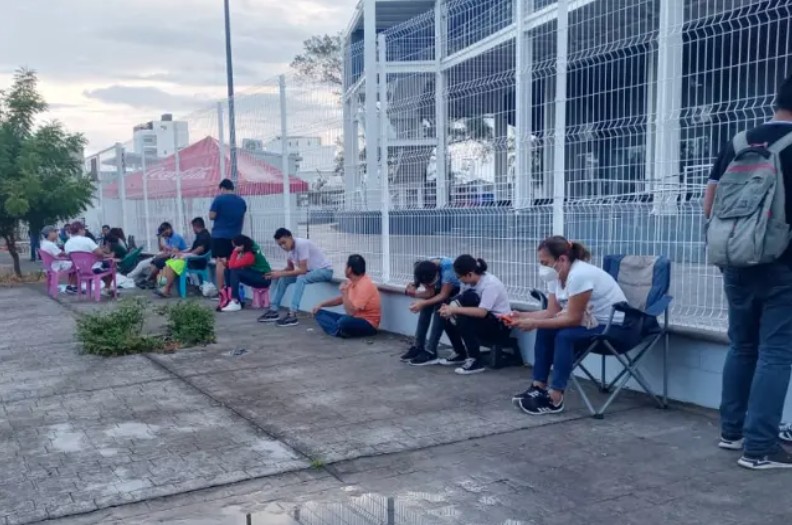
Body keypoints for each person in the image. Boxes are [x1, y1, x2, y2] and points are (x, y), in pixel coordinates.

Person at [705, 74, 792, 470]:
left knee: (741, 346)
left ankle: (732, 432)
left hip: (735, 259)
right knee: (776, 352)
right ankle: (759, 448)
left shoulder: (739, 141)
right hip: (783, 264)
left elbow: (710, 201)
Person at [507, 236, 627, 416]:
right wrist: (521, 316)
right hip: (589, 323)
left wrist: (533, 323)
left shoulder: (579, 275)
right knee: (546, 329)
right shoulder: (555, 276)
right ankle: (538, 387)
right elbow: (551, 312)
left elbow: (572, 319)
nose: (542, 267)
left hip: (614, 328)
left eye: (544, 263)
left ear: (561, 259)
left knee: (565, 336)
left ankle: (555, 398)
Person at [437, 255, 512, 375]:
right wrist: (448, 309)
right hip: (484, 320)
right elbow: (461, 300)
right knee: (445, 315)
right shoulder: (467, 282)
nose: (459, 280)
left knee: (463, 319)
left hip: (499, 325)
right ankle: (459, 353)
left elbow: (482, 312)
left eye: (459, 277)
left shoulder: (490, 284)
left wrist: (455, 310)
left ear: (469, 274)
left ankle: (476, 361)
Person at [259, 228, 334, 327]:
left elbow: (303, 270)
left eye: (284, 242)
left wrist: (280, 274)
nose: (283, 246)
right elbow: (289, 268)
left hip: (325, 271)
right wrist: (275, 273)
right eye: (280, 245)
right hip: (310, 272)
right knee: (284, 279)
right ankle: (273, 310)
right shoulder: (290, 251)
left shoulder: (301, 244)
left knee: (301, 278)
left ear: (290, 237)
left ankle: (292, 314)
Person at [401, 257, 461, 366]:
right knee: (425, 307)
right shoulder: (421, 267)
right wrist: (413, 292)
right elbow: (430, 293)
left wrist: (422, 303)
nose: (430, 285)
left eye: (432, 282)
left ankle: (431, 351)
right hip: (441, 291)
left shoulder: (448, 270)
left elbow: (443, 295)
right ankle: (418, 346)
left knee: (440, 307)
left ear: (437, 273)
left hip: (454, 292)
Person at [312, 254, 381, 338]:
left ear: (349, 269)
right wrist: (321, 304)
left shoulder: (365, 285)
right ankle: (339, 329)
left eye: (346, 266)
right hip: (354, 318)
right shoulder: (352, 281)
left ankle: (338, 330)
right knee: (319, 313)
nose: (344, 269)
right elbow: (341, 300)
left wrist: (344, 292)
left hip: (368, 324)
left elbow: (351, 312)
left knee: (343, 322)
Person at [154, 217, 212, 298]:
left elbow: (200, 249)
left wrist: (185, 255)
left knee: (172, 265)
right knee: (167, 265)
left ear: (195, 226)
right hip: (193, 259)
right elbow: (193, 249)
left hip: (196, 261)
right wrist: (182, 253)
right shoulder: (201, 235)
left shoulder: (204, 235)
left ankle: (166, 289)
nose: (193, 230)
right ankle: (161, 287)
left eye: (193, 227)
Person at [217, 234, 272, 312]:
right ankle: (230, 298)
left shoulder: (250, 254)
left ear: (242, 245)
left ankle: (235, 301)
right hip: (257, 275)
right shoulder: (248, 250)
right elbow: (232, 266)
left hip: (264, 279)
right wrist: (226, 263)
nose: (235, 248)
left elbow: (233, 266)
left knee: (234, 271)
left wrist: (235, 252)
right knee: (227, 271)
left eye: (236, 246)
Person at [210, 179, 247, 291]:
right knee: (233, 262)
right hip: (236, 236)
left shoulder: (219, 199)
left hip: (219, 236)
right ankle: (232, 290)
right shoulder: (241, 201)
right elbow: (242, 218)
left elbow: (211, 216)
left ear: (222, 188)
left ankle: (221, 291)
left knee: (220, 263)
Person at [64, 221, 116, 296]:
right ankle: (107, 287)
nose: (85, 231)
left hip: (78, 270)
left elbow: (68, 256)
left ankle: (107, 288)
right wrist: (108, 256)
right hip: (93, 268)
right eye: (84, 229)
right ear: (80, 230)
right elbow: (100, 253)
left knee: (102, 266)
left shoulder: (67, 243)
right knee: (110, 267)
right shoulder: (87, 240)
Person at [145, 222, 188, 288]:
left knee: (160, 263)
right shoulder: (168, 238)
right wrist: (159, 239)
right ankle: (155, 282)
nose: (165, 235)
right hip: (173, 258)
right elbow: (162, 250)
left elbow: (173, 252)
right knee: (155, 262)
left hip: (180, 259)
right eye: (163, 234)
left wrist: (160, 256)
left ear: (169, 229)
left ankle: (155, 282)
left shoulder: (176, 237)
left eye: (165, 233)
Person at [39, 225, 77, 292]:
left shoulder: (43, 243)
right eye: (55, 232)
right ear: (50, 233)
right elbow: (60, 254)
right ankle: (72, 285)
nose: (57, 234)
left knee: (71, 264)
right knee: (76, 265)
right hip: (57, 265)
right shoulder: (50, 245)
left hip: (49, 266)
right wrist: (69, 254)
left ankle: (71, 285)